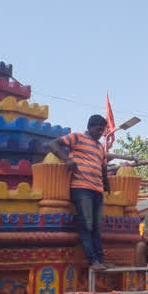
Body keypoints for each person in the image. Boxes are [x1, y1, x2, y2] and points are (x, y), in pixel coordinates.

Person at [48, 114, 110, 271]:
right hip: (81, 187)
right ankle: (92, 261)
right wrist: (67, 159)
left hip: (97, 189)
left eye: (103, 130)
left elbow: (103, 167)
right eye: (98, 129)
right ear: (90, 127)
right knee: (86, 224)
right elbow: (54, 144)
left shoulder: (100, 147)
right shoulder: (77, 137)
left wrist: (107, 183)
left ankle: (100, 260)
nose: (101, 132)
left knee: (96, 227)